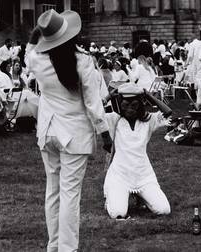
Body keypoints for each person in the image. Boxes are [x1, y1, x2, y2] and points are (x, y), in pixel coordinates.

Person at [26, 9, 112, 252]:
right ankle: (67, 248)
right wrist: (104, 132)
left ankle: (54, 246)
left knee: (53, 193)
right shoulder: (82, 60)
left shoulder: (37, 59)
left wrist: (35, 34)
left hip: (48, 131)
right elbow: (93, 103)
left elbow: (27, 54)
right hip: (74, 133)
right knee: (69, 195)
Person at [103, 83, 171, 219]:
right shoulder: (114, 119)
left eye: (134, 105)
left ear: (140, 104)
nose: (129, 109)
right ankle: (112, 197)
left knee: (164, 210)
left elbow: (168, 112)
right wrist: (110, 96)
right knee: (118, 213)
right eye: (125, 105)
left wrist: (147, 95)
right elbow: (94, 112)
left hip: (143, 175)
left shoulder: (148, 120)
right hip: (120, 175)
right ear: (120, 105)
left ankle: (141, 196)